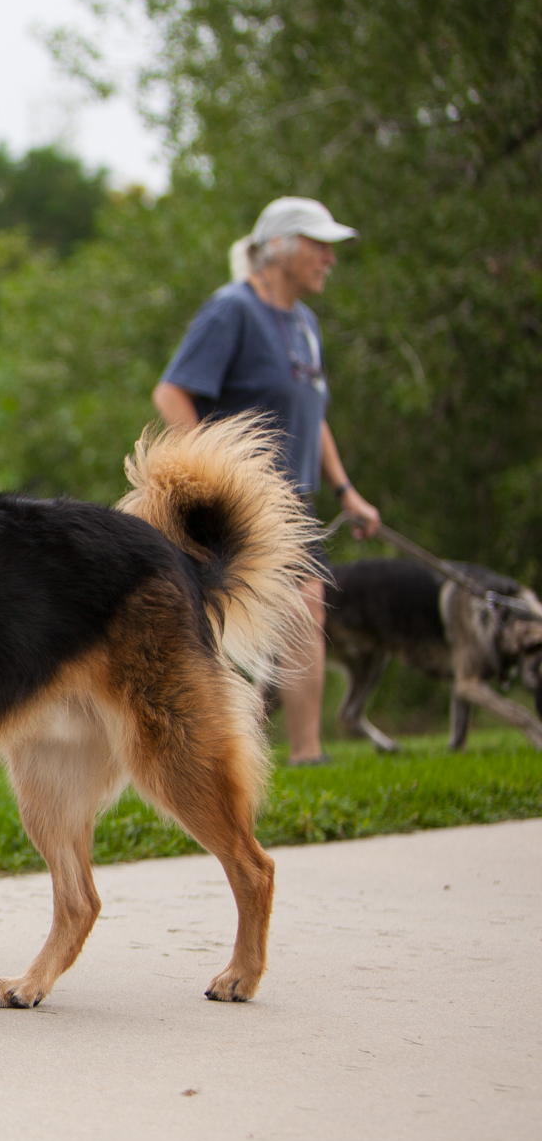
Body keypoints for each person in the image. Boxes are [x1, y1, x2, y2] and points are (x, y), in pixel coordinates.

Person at [152, 196, 382, 764]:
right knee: (238, 623)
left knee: (304, 613)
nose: (329, 257)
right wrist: (210, 475)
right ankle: (228, 754)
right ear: (279, 248)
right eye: (318, 244)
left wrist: (345, 489)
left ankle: (303, 754)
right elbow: (172, 393)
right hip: (240, 500)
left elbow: (313, 412)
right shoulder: (231, 310)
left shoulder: (305, 323)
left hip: (292, 500)